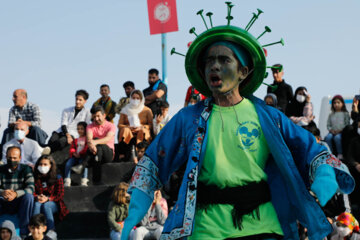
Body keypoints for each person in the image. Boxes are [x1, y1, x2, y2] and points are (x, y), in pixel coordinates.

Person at [120, 5, 354, 240]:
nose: (214, 65)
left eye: (224, 59)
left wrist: (323, 174)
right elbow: (154, 161)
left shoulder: (267, 116)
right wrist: (137, 205)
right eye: (209, 61)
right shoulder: (188, 118)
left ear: (243, 71)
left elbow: (309, 147)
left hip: (262, 223)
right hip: (204, 227)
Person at [71, 106, 116, 184]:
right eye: (94, 116)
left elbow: (107, 138)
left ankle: (83, 165)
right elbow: (89, 139)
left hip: (108, 153)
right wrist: (92, 146)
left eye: (98, 116)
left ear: (104, 115)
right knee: (97, 152)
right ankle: (96, 181)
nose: (96, 118)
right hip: (95, 153)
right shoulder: (90, 126)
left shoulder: (111, 126)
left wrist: (94, 143)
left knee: (98, 143)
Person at [0, 146, 34, 237]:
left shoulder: (26, 169)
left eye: (14, 158)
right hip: (4, 200)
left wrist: (16, 194)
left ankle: (24, 231)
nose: (12, 160)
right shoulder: (1, 169)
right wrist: (2, 192)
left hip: (19, 202)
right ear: (6, 157)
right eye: (9, 157)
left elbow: (31, 188)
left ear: (20, 158)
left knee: (29, 197)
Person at [46, 90, 91, 154]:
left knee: (62, 141)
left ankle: (45, 151)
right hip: (62, 131)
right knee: (52, 140)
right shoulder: (66, 110)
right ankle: (45, 151)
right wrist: (68, 135)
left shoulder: (87, 112)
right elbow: (63, 124)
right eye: (76, 99)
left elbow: (86, 126)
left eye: (80, 100)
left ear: (85, 101)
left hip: (74, 133)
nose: (77, 102)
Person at [33, 155, 68, 236]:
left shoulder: (57, 177)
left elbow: (60, 195)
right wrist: (37, 197)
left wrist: (48, 199)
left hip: (53, 202)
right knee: (36, 205)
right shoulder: (35, 178)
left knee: (46, 206)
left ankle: (51, 231)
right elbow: (32, 191)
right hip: (39, 200)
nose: (42, 166)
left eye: (45, 164)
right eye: (40, 164)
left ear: (51, 165)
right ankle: (35, 229)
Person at [117, 90, 153, 160]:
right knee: (125, 130)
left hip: (141, 130)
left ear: (141, 99)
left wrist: (142, 127)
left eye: (137, 98)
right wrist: (128, 127)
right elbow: (119, 125)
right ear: (130, 99)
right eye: (133, 98)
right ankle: (123, 154)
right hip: (129, 131)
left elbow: (150, 125)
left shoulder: (147, 110)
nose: (135, 100)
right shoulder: (125, 110)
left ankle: (142, 151)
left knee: (143, 131)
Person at [324, 95, 350, 159]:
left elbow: (347, 124)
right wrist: (331, 130)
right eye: (334, 103)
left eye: (338, 102)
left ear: (342, 103)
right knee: (327, 137)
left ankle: (340, 153)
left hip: (341, 132)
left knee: (337, 138)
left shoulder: (345, 114)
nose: (336, 104)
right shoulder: (331, 114)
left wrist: (340, 130)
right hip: (332, 132)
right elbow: (328, 124)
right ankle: (330, 153)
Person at [64, 122, 89, 187]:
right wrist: (74, 153)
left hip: (82, 156)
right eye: (78, 129)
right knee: (68, 164)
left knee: (84, 165)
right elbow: (72, 148)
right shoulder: (75, 140)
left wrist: (80, 154)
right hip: (74, 156)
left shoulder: (87, 139)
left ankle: (84, 180)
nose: (79, 130)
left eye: (81, 129)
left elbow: (86, 148)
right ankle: (67, 180)